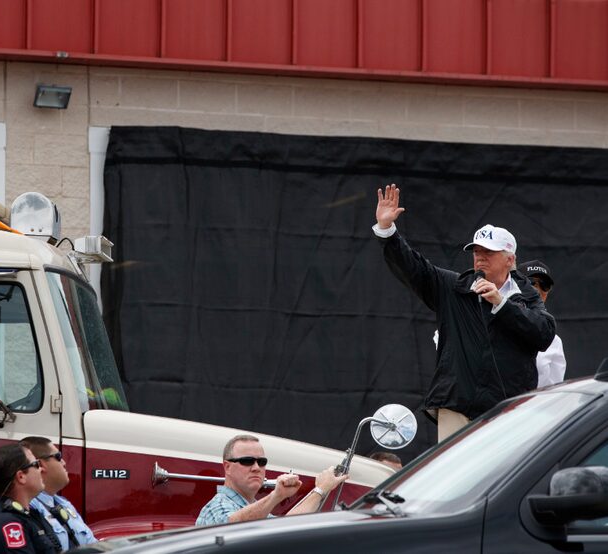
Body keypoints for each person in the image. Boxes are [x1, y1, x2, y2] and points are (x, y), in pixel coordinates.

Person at [373, 184, 556, 441]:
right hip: (457, 407)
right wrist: (387, 231)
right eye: (476, 251)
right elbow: (413, 267)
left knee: (500, 478)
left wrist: (501, 304)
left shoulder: (527, 297)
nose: (480, 258)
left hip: (506, 413)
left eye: (489, 252)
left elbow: (544, 334)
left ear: (510, 259)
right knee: (454, 476)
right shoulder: (454, 288)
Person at [195, 434, 347, 526]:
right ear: (227, 467)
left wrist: (320, 490)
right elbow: (230, 527)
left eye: (261, 462)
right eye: (247, 461)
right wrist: (276, 496)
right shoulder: (216, 507)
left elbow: (285, 526)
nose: (256, 467)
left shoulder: (253, 508)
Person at [0, 443, 62, 553]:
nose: (41, 469)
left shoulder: (30, 515)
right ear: (21, 476)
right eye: (36, 464)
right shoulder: (7, 525)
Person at [20, 436, 97, 549]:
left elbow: (94, 546)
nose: (64, 462)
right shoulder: (28, 508)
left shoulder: (63, 504)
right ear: (40, 465)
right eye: (58, 457)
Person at [518, 259, 566, 386]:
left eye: (544, 285)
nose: (537, 291)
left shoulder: (553, 341)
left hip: (532, 404)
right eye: (531, 283)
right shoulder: (496, 323)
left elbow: (553, 391)